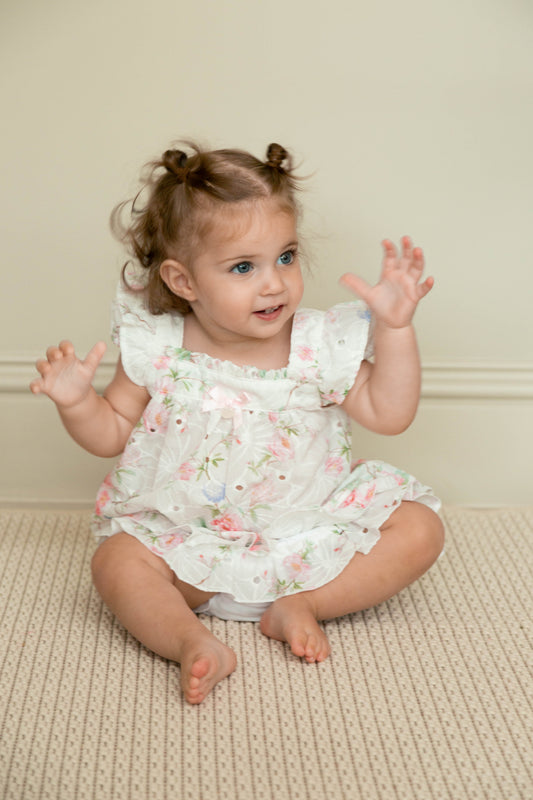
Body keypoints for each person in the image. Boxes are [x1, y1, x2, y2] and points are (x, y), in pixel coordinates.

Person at [30, 142, 444, 704]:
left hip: (307, 533)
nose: (274, 283)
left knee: (420, 527)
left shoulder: (317, 345)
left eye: (286, 257)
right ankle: (191, 640)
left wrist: (396, 330)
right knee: (118, 562)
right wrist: (77, 402)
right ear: (183, 282)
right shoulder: (162, 347)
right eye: (244, 267)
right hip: (189, 543)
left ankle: (303, 602)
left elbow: (389, 415)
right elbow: (111, 435)